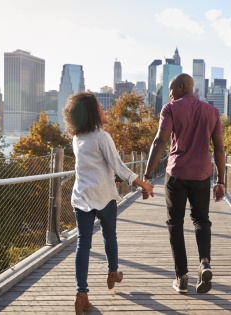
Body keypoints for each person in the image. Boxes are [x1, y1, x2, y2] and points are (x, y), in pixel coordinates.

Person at [63, 91, 154, 315]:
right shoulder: (102, 137)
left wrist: (113, 178)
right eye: (101, 108)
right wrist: (143, 184)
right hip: (103, 197)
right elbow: (118, 166)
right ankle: (113, 272)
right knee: (109, 235)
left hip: (82, 196)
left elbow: (93, 166)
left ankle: (81, 294)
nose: (105, 111)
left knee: (83, 244)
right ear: (94, 113)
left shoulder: (78, 138)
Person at [143, 73, 226, 294]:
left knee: (175, 224)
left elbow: (160, 141)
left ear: (181, 87)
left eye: (171, 90)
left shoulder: (170, 109)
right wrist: (221, 180)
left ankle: (181, 277)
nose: (169, 95)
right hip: (202, 174)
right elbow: (219, 148)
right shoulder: (212, 112)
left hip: (177, 174)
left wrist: (148, 176)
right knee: (201, 221)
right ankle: (205, 262)